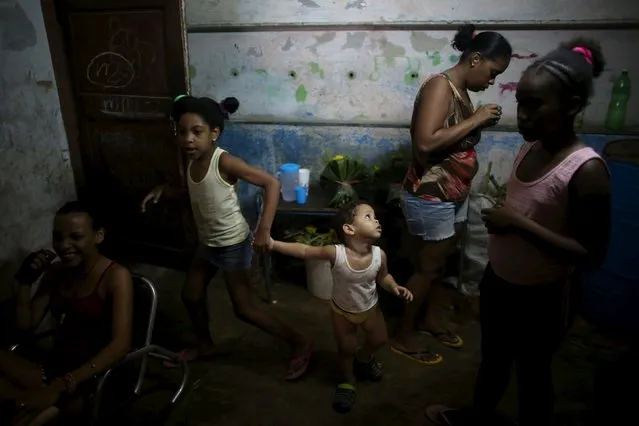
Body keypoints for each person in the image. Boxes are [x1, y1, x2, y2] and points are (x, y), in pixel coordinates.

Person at [426, 38, 610, 426]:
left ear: (572, 107)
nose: (522, 116)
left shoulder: (586, 171)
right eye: (520, 104)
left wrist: (518, 224)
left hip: (542, 296)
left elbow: (591, 253)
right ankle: (477, 415)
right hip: (501, 281)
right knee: (492, 359)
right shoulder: (530, 149)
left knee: (533, 376)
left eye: (535, 105)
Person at [141, 95, 313, 379]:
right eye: (182, 132)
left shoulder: (225, 162)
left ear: (214, 134)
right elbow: (198, 192)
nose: (188, 139)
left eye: (197, 132)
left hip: (233, 243)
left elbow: (271, 183)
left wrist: (264, 230)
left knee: (244, 308)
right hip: (208, 243)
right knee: (191, 294)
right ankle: (205, 346)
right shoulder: (190, 161)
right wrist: (165, 190)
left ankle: (301, 342)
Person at [391, 24, 512, 363]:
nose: (491, 82)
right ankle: (403, 334)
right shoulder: (439, 87)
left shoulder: (460, 91)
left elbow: (451, 138)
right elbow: (426, 142)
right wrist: (476, 120)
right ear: (475, 59)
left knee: (439, 264)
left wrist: (476, 120)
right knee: (426, 268)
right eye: (492, 73)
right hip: (430, 194)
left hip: (451, 193)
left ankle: (428, 319)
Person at [269, 201, 413, 413]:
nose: (376, 220)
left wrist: (394, 287)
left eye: (375, 216)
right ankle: (348, 381)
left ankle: (363, 359)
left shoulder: (379, 255)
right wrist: (273, 244)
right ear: (349, 228)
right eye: (368, 216)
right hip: (342, 312)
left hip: (370, 309)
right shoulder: (336, 253)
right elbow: (305, 250)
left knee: (379, 339)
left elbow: (384, 277)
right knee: (346, 349)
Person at [1, 201, 133, 424]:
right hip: (55, 369)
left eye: (76, 237)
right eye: (58, 237)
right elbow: (26, 326)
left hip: (91, 378)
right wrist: (24, 283)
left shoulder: (116, 276)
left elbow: (120, 345)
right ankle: (28, 400)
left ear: (98, 236)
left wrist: (65, 383)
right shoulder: (56, 273)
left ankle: (30, 402)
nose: (64, 245)